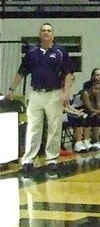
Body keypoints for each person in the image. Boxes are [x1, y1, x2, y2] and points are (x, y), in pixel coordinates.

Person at [5, 22, 75, 172]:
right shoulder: (32, 52)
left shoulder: (61, 52)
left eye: (49, 30)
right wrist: (11, 89)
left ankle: (51, 159)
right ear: (39, 34)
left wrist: (66, 93)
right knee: (33, 127)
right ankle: (28, 160)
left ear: (53, 35)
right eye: (43, 30)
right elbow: (22, 71)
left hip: (54, 93)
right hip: (36, 93)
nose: (46, 33)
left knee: (54, 127)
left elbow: (68, 73)